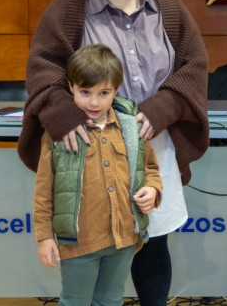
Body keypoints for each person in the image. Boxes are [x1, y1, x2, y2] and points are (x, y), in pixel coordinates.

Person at [18, 0, 209, 305]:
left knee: (151, 239)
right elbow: (42, 67)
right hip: (91, 147)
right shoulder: (70, 6)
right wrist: (63, 113)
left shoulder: (169, 7)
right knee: (94, 243)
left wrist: (161, 109)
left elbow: (195, 67)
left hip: (151, 142)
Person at [33, 44, 163, 306]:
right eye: (85, 92)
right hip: (79, 242)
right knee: (75, 302)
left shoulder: (131, 127)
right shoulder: (60, 133)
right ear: (70, 87)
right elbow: (44, 191)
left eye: (103, 93)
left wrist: (153, 190)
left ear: (116, 90)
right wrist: (45, 237)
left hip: (123, 238)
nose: (94, 101)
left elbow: (150, 169)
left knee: (111, 300)